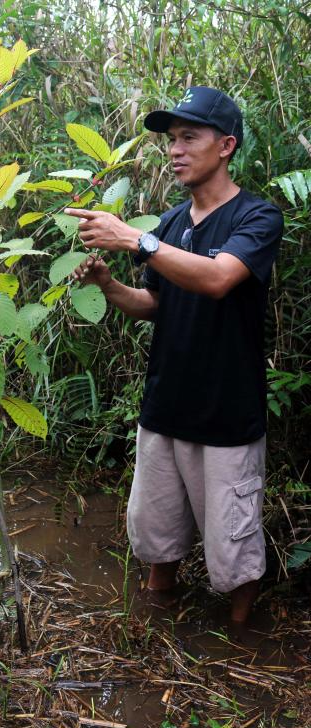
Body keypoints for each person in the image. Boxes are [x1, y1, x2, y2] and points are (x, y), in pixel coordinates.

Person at [66, 86, 283, 626]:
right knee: (157, 539)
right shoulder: (169, 223)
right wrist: (110, 284)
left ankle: (239, 639)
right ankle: (157, 626)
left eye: (189, 137)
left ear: (226, 145)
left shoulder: (257, 217)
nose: (175, 150)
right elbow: (155, 305)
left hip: (226, 415)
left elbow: (216, 279)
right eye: (171, 140)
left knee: (233, 553)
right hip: (164, 408)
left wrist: (134, 240)